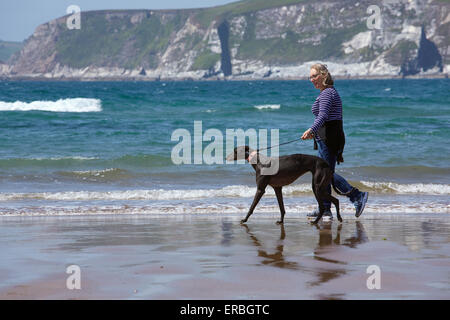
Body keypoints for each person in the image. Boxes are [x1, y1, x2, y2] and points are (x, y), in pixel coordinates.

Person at [301, 63, 368, 219]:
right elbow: (326, 117)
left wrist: (311, 130)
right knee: (324, 175)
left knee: (326, 175)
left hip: (329, 138)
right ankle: (325, 209)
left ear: (324, 75)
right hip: (328, 137)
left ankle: (357, 196)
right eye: (310, 77)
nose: (312, 80)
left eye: (314, 76)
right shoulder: (328, 92)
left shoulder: (327, 93)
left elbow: (323, 116)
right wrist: (315, 131)